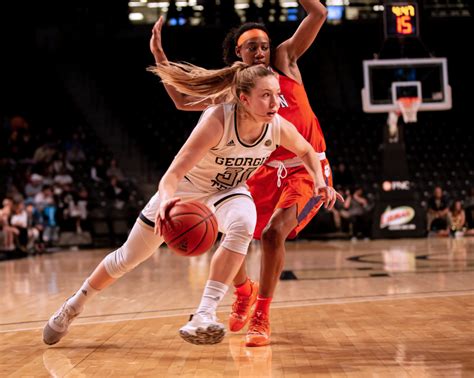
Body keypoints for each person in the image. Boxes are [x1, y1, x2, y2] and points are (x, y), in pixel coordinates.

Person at [43, 62, 342, 346]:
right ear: (244, 98)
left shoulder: (275, 126)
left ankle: (204, 314)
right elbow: (173, 174)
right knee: (126, 258)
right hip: (185, 193)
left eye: (276, 95)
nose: (275, 103)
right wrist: (165, 202)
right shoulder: (217, 120)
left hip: (228, 192)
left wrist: (319, 181)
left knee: (244, 223)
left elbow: (307, 151)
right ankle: (73, 305)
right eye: (265, 96)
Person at [150, 0, 331, 346]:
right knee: (231, 232)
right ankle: (243, 291)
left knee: (274, 234)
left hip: (303, 169)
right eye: (252, 47)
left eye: (264, 45)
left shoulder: (286, 62)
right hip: (260, 171)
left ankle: (262, 314)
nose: (261, 52)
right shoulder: (235, 92)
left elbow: (318, 14)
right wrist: (160, 58)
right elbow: (183, 102)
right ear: (239, 52)